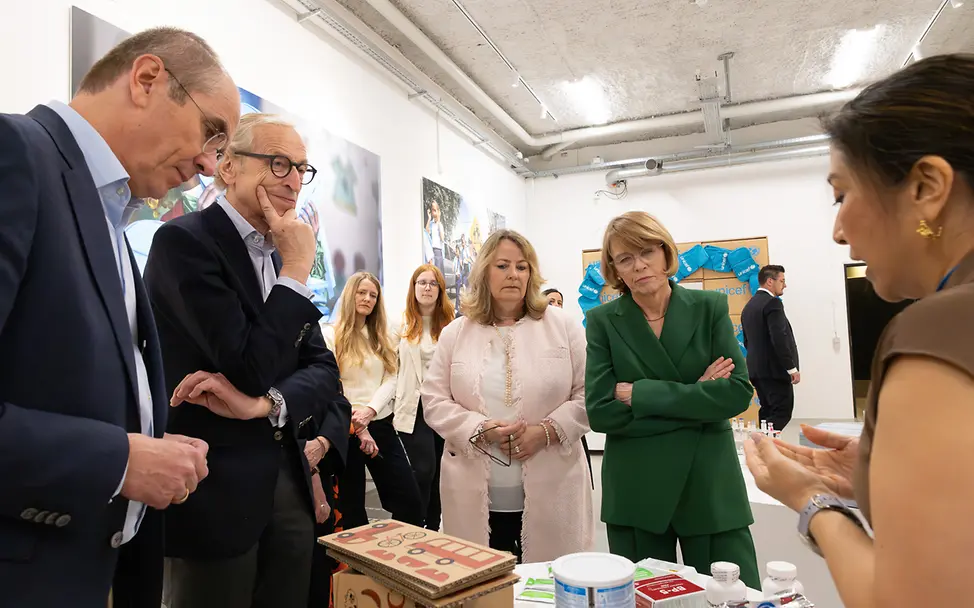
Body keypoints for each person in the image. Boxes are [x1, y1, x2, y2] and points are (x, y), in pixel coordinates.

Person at [0, 27, 237, 608]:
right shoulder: (15, 156)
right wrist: (119, 461)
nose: (209, 165)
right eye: (211, 134)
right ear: (148, 79)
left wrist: (146, 437)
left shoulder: (112, 219)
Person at [746, 54, 974, 607]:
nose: (837, 230)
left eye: (843, 196)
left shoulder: (937, 328)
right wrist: (882, 473)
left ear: (926, 187)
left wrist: (812, 501)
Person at [144, 113, 351, 608]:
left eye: (302, 168)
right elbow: (247, 367)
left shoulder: (281, 256)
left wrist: (264, 406)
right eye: (279, 163)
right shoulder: (184, 243)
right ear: (228, 167)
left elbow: (325, 371)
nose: (295, 180)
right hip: (212, 486)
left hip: (287, 479)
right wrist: (300, 268)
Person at [585, 211, 760, 588]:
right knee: (643, 597)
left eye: (647, 251)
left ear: (666, 253)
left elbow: (736, 393)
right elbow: (600, 413)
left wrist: (640, 393)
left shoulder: (709, 308)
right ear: (614, 268)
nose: (639, 265)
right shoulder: (603, 321)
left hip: (709, 483)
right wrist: (698, 394)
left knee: (733, 596)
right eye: (625, 258)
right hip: (637, 488)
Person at [422, 230, 593, 563]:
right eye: (502, 265)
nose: (514, 274)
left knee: (550, 585)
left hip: (554, 486)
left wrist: (546, 432)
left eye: (522, 266)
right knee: (481, 587)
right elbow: (433, 400)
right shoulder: (456, 333)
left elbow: (589, 394)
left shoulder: (563, 326)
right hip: (473, 494)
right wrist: (477, 427)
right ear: (485, 271)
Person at [322, 272, 425, 529]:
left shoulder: (382, 337)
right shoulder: (330, 335)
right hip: (344, 430)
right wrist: (358, 422)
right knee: (351, 509)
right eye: (361, 292)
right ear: (350, 295)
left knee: (410, 501)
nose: (367, 299)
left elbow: (392, 377)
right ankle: (359, 567)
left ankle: (396, 560)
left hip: (378, 423)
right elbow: (331, 384)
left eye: (373, 295)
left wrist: (369, 411)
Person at [392, 264, 455, 529]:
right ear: (413, 287)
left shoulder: (452, 327)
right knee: (423, 470)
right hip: (413, 408)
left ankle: (432, 527)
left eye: (432, 284)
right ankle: (413, 525)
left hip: (444, 406)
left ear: (440, 290)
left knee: (441, 474)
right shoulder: (400, 325)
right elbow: (391, 369)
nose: (427, 288)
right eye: (421, 283)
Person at [543, 287, 594, 489]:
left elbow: (584, 384)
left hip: (567, 418)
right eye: (550, 301)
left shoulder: (571, 333)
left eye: (559, 302)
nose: (555, 306)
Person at [740, 264, 800, 431]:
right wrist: (791, 368)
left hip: (756, 370)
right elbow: (779, 338)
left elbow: (747, 341)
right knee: (781, 412)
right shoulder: (773, 303)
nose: (785, 285)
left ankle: (764, 449)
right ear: (769, 282)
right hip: (775, 371)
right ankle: (769, 449)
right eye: (782, 281)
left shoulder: (749, 307)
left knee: (767, 411)